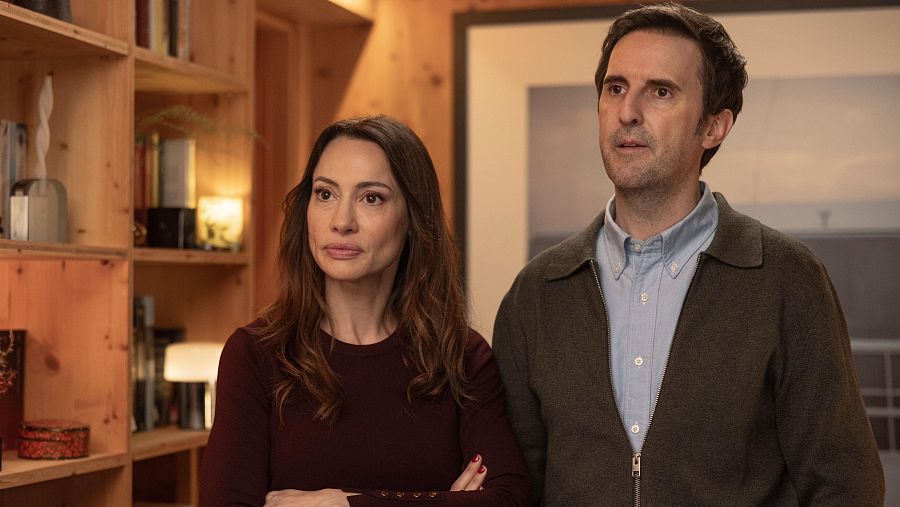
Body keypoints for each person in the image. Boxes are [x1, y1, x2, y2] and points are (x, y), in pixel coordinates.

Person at [492, 3, 884, 505]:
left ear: (714, 127)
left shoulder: (788, 278)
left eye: (660, 91)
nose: (627, 112)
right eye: (616, 88)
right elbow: (515, 489)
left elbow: (846, 487)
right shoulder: (536, 292)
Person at [200, 116, 530, 506]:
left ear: (413, 218)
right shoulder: (255, 354)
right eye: (325, 194)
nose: (341, 222)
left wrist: (347, 503)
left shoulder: (462, 357)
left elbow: (509, 499)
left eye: (371, 198)